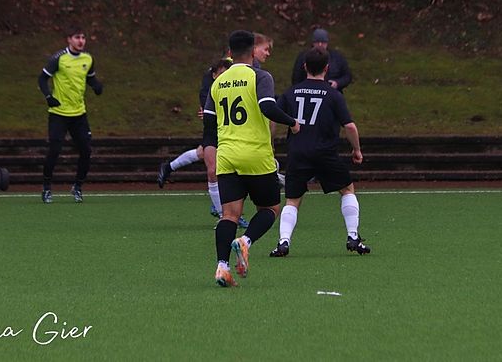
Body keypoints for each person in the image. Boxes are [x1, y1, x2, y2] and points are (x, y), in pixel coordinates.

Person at [203, 30, 300, 287]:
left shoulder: (218, 82)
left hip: (227, 157)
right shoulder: (260, 76)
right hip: (256, 155)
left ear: (230, 51)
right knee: (270, 209)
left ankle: (222, 267)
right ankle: (245, 241)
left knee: (229, 215)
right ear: (252, 51)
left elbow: (209, 124)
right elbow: (267, 106)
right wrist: (292, 122)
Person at [271, 47, 370, 257]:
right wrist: (357, 150)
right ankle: (353, 236)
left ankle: (283, 242)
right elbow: (350, 126)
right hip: (325, 153)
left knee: (292, 199)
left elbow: (273, 116)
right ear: (327, 68)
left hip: (298, 152)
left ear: (304, 66)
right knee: (347, 189)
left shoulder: (291, 92)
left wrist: (269, 142)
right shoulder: (333, 94)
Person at [157, 57, 249, 226]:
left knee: (205, 155)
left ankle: (169, 167)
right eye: (221, 73)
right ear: (214, 75)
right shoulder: (209, 90)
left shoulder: (237, 82)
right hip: (214, 132)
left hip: (231, 131)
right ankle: (223, 213)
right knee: (212, 170)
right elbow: (211, 112)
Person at [37, 25, 103, 204]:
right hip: (58, 113)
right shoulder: (58, 58)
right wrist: (49, 97)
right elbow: (42, 79)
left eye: (83, 37)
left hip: (79, 114)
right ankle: (47, 187)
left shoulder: (88, 58)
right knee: (55, 150)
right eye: (77, 37)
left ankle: (78, 187)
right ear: (69, 39)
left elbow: (90, 78)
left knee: (86, 151)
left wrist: (96, 86)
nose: (81, 41)